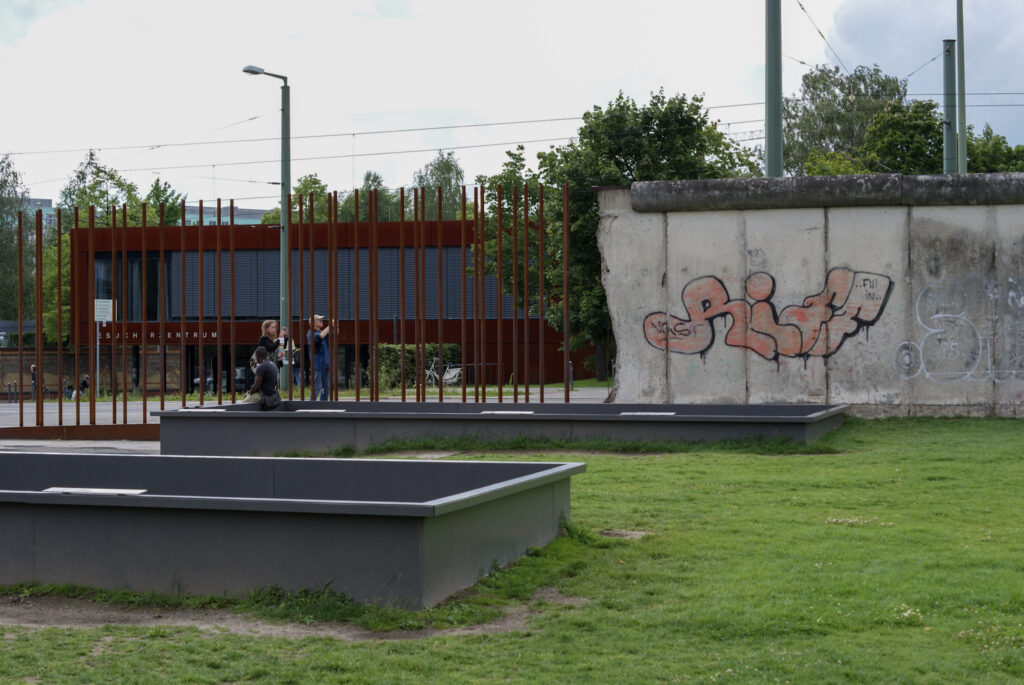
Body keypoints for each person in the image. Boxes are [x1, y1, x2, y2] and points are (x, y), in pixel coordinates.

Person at [306, 314, 331, 401]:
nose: (321, 321)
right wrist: (330, 326)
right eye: (319, 320)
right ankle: (311, 405)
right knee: (317, 386)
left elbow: (335, 333)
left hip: (325, 364)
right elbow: (321, 335)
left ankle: (323, 405)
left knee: (325, 387)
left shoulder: (321, 332)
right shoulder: (311, 333)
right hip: (318, 365)